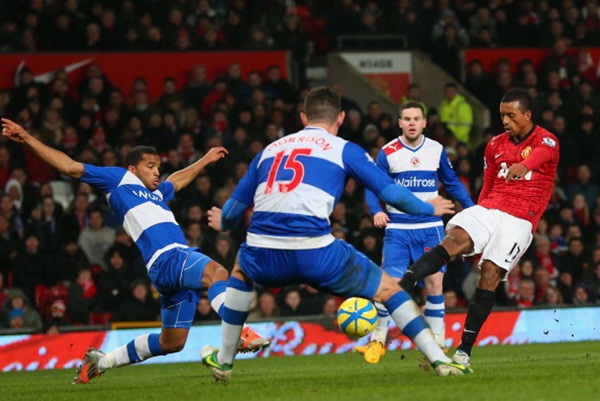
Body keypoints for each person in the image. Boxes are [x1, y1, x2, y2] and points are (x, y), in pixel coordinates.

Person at [200, 86, 471, 382]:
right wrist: (428, 208)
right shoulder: (344, 149)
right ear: (340, 118)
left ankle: (225, 361)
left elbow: (230, 214)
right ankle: (440, 360)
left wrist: (223, 223)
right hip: (317, 253)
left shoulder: (269, 150)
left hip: (264, 254)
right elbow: (391, 192)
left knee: (239, 271)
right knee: (390, 290)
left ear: (303, 117)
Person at [0, 117, 270, 384]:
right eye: (150, 166)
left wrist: (205, 160)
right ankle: (239, 332)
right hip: (170, 257)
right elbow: (70, 167)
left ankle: (100, 361)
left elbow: (176, 180)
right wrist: (26, 138)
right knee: (217, 272)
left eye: (158, 167)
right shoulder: (119, 179)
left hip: (167, 269)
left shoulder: (156, 193)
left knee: (172, 342)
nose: (156, 172)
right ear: (131, 168)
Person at [398, 88, 559, 368]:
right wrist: (478, 218)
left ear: (527, 115)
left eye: (511, 115)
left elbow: (542, 155)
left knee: (490, 273)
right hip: (490, 208)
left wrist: (523, 165)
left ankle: (464, 351)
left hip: (521, 219)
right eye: (502, 116)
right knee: (455, 238)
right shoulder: (494, 145)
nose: (506, 121)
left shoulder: (547, 139)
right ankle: (403, 284)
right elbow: (488, 183)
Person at [355, 101, 474, 364]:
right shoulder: (388, 152)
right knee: (390, 284)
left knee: (435, 283)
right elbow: (372, 186)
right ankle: (377, 341)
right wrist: (376, 210)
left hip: (429, 228)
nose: (411, 123)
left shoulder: (436, 149)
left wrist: (473, 209)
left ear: (424, 123)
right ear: (399, 123)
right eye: (406, 118)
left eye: (416, 118)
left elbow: (452, 182)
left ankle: (438, 342)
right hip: (398, 228)